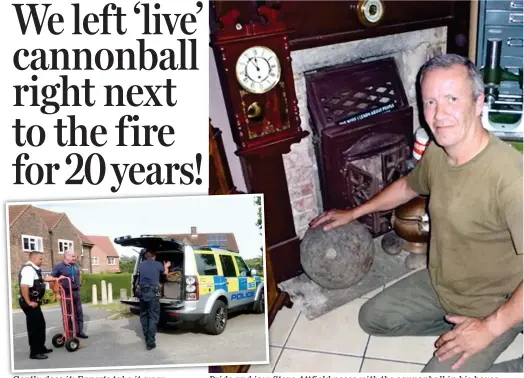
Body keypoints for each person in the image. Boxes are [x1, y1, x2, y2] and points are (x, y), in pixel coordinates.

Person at [310, 54, 522, 372]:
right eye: (430, 102)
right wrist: (355, 213)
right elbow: (409, 186)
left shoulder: (511, 178)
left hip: (497, 302)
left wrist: (489, 327)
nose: (439, 114)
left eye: (452, 99)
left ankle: (501, 333)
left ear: (478, 103)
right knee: (373, 319)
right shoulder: (438, 152)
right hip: (445, 286)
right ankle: (459, 328)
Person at [18, 252, 64, 359]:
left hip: (34, 302)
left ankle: (41, 347)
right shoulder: (28, 269)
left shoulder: (33, 269)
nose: (42, 261)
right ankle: (34, 352)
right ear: (34, 258)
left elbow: (42, 279)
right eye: (40, 259)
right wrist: (29, 302)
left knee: (40, 325)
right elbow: (24, 286)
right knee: (34, 327)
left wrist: (56, 278)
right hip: (30, 303)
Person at [137, 249, 170, 350]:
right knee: (153, 317)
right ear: (154, 256)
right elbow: (165, 274)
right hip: (153, 293)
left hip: (142, 293)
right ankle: (150, 342)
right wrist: (166, 266)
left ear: (146, 256)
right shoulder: (158, 264)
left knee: (143, 316)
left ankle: (147, 337)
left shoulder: (141, 264)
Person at [51, 250, 88, 338]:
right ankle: (70, 334)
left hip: (76, 291)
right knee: (67, 314)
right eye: (73, 256)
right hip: (66, 293)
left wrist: (79, 283)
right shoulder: (59, 266)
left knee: (78, 312)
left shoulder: (75, 265)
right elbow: (52, 280)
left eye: (75, 256)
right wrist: (56, 293)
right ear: (66, 256)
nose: (75, 258)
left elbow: (78, 274)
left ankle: (79, 332)